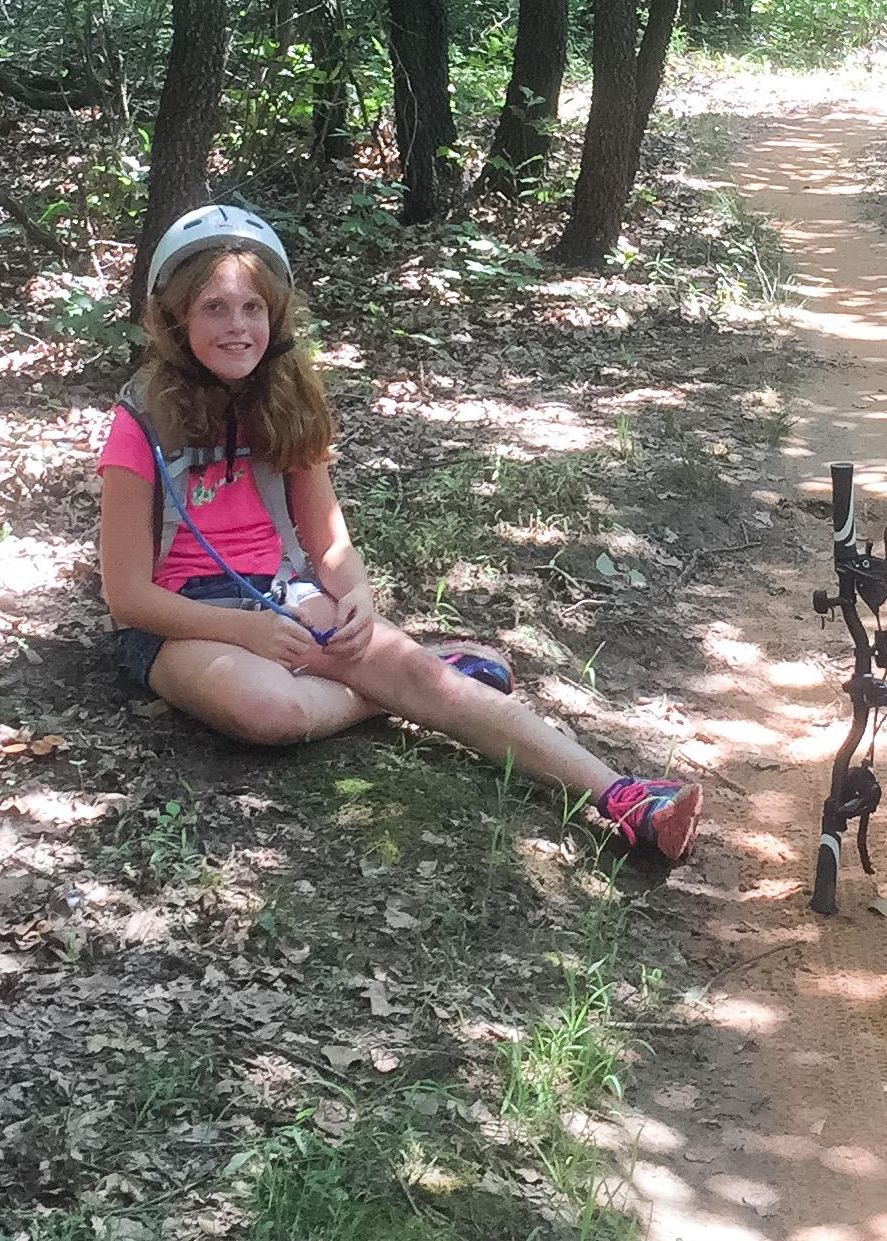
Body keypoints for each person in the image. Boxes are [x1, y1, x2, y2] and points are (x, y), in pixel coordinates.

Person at [96, 203, 701, 863]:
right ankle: (409, 684)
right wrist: (243, 632)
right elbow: (126, 596)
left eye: (253, 308)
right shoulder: (140, 423)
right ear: (177, 317)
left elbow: (327, 543)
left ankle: (625, 797)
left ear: (275, 316)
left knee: (420, 678)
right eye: (214, 307)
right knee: (270, 709)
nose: (237, 326)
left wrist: (355, 594)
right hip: (181, 625)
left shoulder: (287, 399)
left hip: (280, 595)